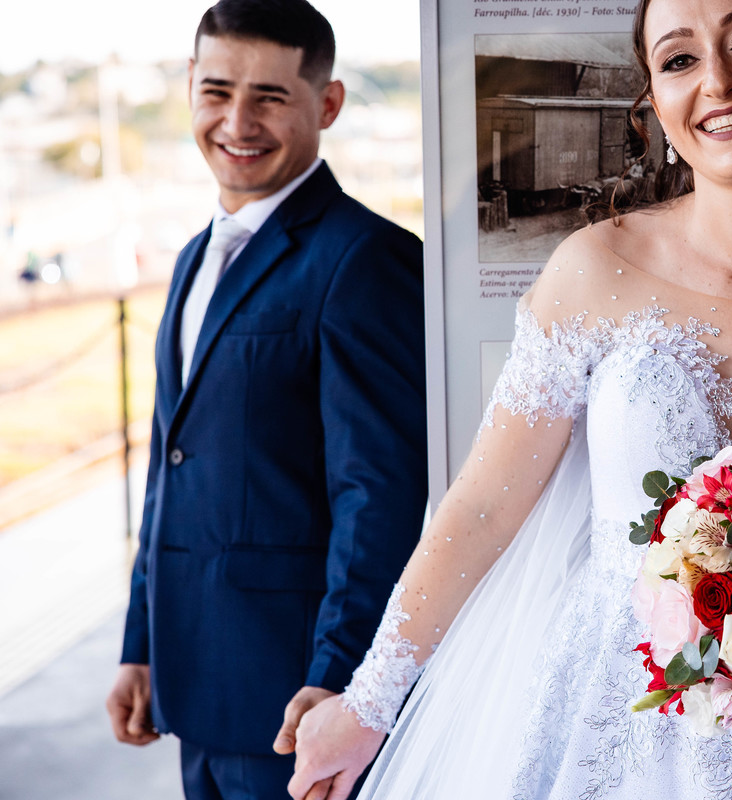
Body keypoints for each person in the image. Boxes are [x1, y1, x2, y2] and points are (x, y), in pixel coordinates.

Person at [289, 1, 732, 798]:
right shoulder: (591, 272)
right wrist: (367, 704)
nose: (717, 80)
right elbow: (481, 510)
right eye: (679, 60)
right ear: (655, 105)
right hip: (604, 705)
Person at [104, 1, 426, 798]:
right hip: (190, 687)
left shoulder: (367, 259)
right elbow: (169, 471)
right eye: (216, 91)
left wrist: (341, 677)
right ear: (189, 86)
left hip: (294, 698)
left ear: (328, 104)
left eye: (270, 98)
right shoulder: (190, 259)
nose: (237, 121)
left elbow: (378, 495)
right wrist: (140, 646)